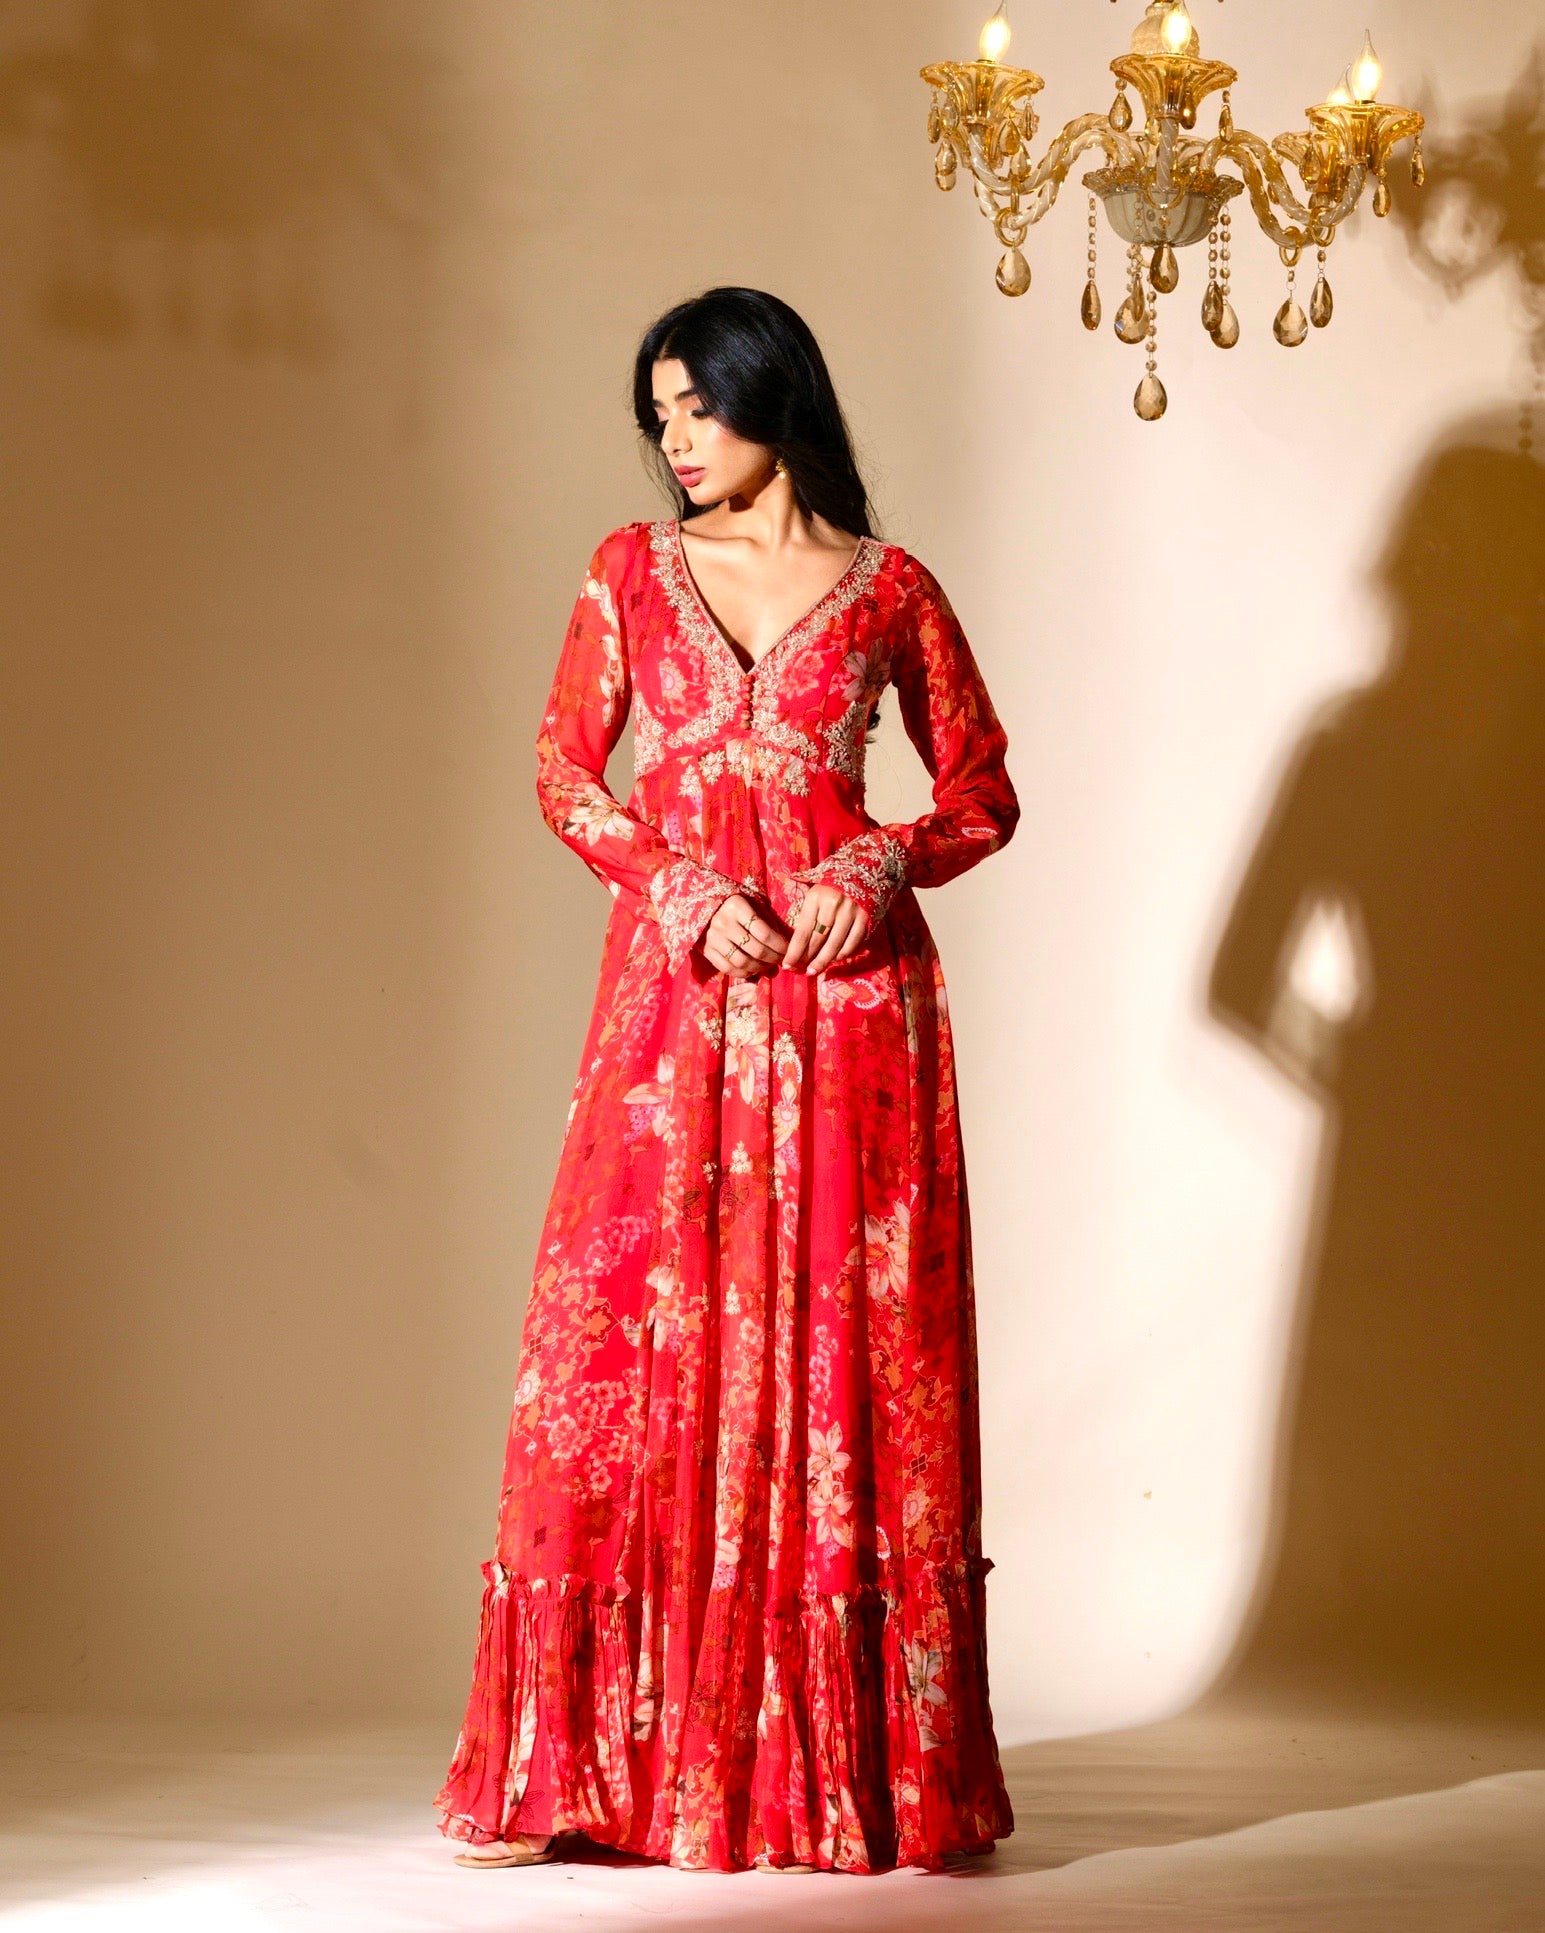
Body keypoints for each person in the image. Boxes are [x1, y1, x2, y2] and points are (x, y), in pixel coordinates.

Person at [434, 286, 1020, 1875]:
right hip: (678, 1000)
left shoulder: (891, 587)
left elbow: (979, 786)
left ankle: (863, 1771)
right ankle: (579, 1767)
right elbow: (564, 769)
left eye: (698, 403)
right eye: (662, 414)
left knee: (849, 1343)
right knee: (618, 1332)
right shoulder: (630, 572)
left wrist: (876, 863)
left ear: (774, 394)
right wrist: (679, 884)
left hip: (849, 1009)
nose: (677, 438)